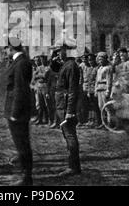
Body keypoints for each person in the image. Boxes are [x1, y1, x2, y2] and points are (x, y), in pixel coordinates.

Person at [4, 37, 33, 186]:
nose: (5, 51)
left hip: (18, 111)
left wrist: (15, 112)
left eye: (6, 48)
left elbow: (20, 89)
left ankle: (26, 177)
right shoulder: (19, 62)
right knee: (20, 143)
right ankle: (25, 173)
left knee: (22, 143)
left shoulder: (21, 63)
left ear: (11, 48)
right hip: (15, 110)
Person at [54, 44, 81, 176]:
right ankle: (73, 166)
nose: (58, 54)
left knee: (70, 135)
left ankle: (73, 167)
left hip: (66, 106)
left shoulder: (71, 66)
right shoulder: (66, 65)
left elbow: (72, 90)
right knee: (67, 134)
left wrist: (70, 110)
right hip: (62, 105)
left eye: (60, 51)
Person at [95, 52, 113, 129]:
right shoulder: (99, 68)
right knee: (100, 107)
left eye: (102, 59)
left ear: (105, 59)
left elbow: (109, 80)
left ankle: (109, 124)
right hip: (99, 88)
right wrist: (95, 89)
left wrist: (108, 91)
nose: (100, 60)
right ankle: (103, 123)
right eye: (99, 59)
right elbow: (96, 80)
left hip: (105, 88)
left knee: (107, 108)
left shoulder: (108, 68)